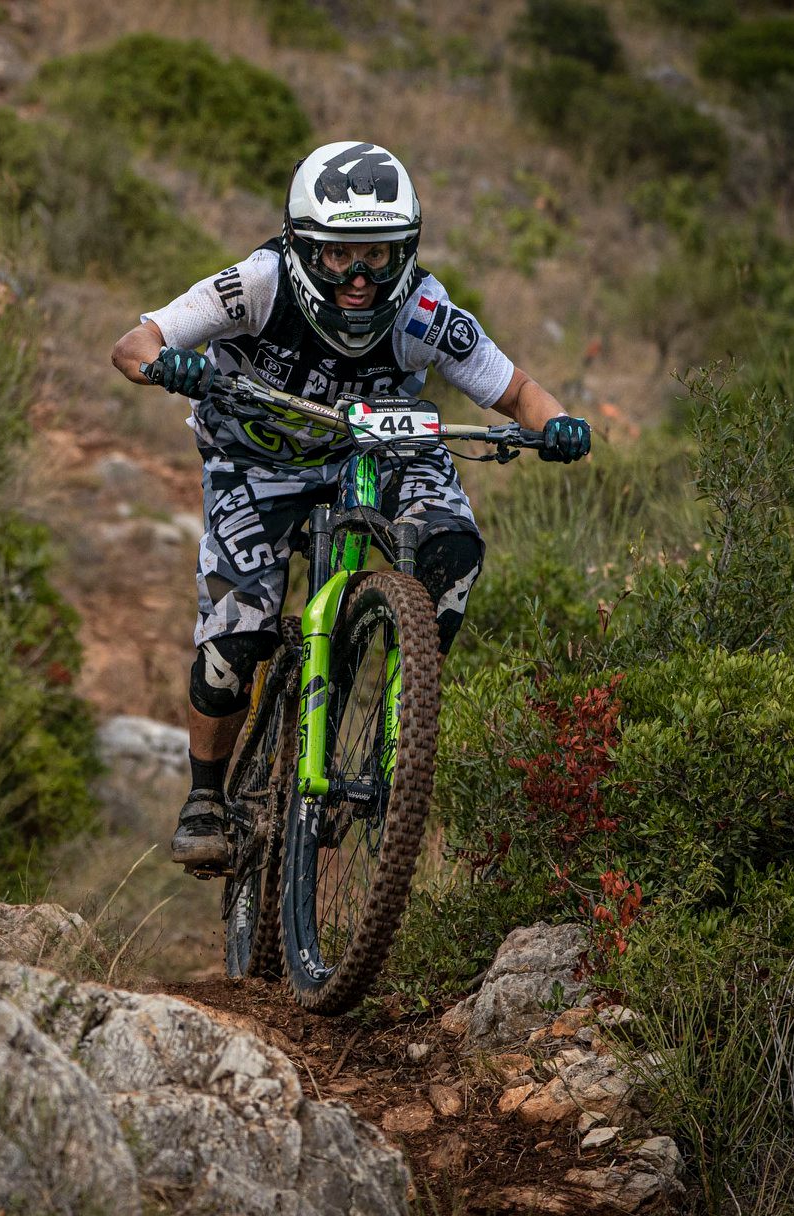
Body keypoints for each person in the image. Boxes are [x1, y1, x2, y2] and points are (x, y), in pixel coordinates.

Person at [110, 140, 591, 872]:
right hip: (255, 457)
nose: (359, 278)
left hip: (379, 447)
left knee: (453, 546)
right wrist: (163, 363)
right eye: (338, 256)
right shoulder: (257, 285)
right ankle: (205, 796)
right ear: (303, 247)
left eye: (378, 255)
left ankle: (403, 707)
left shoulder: (425, 310)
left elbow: (518, 391)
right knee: (236, 635)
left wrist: (556, 423)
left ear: (406, 251)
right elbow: (134, 342)